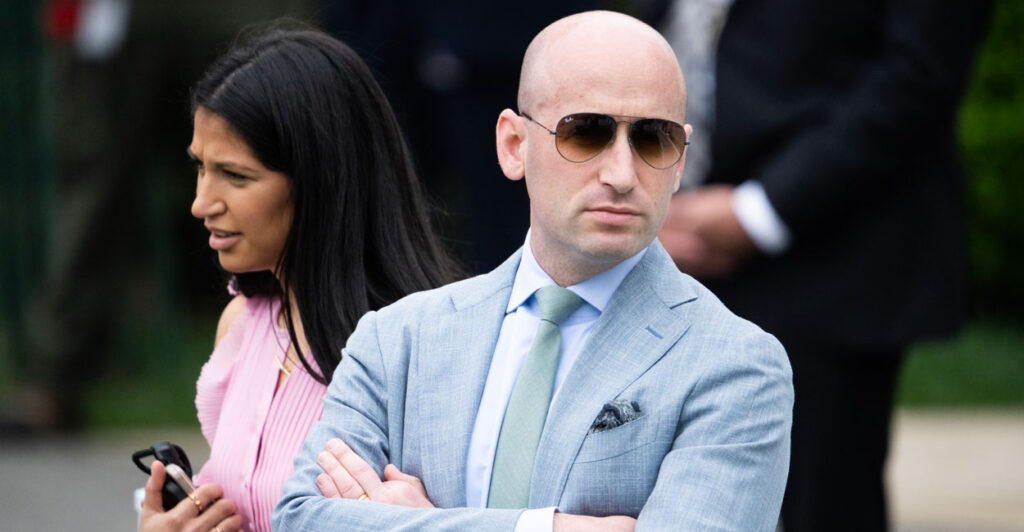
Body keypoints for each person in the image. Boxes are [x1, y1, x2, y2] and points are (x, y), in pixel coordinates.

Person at [273, 11, 793, 531]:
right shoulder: (396, 341)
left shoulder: (738, 366)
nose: (620, 174)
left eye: (653, 139)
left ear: (681, 161)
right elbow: (299, 519)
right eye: (586, 133)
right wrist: (557, 527)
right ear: (514, 144)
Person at [657, 1, 992, 530]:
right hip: (677, 238)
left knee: (822, 502)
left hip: (837, 254)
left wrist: (761, 211)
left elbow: (920, 69)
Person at [137, 28, 460, 532]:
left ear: (322, 181)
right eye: (200, 167)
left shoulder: (423, 347)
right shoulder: (242, 321)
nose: (202, 203)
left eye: (236, 176)